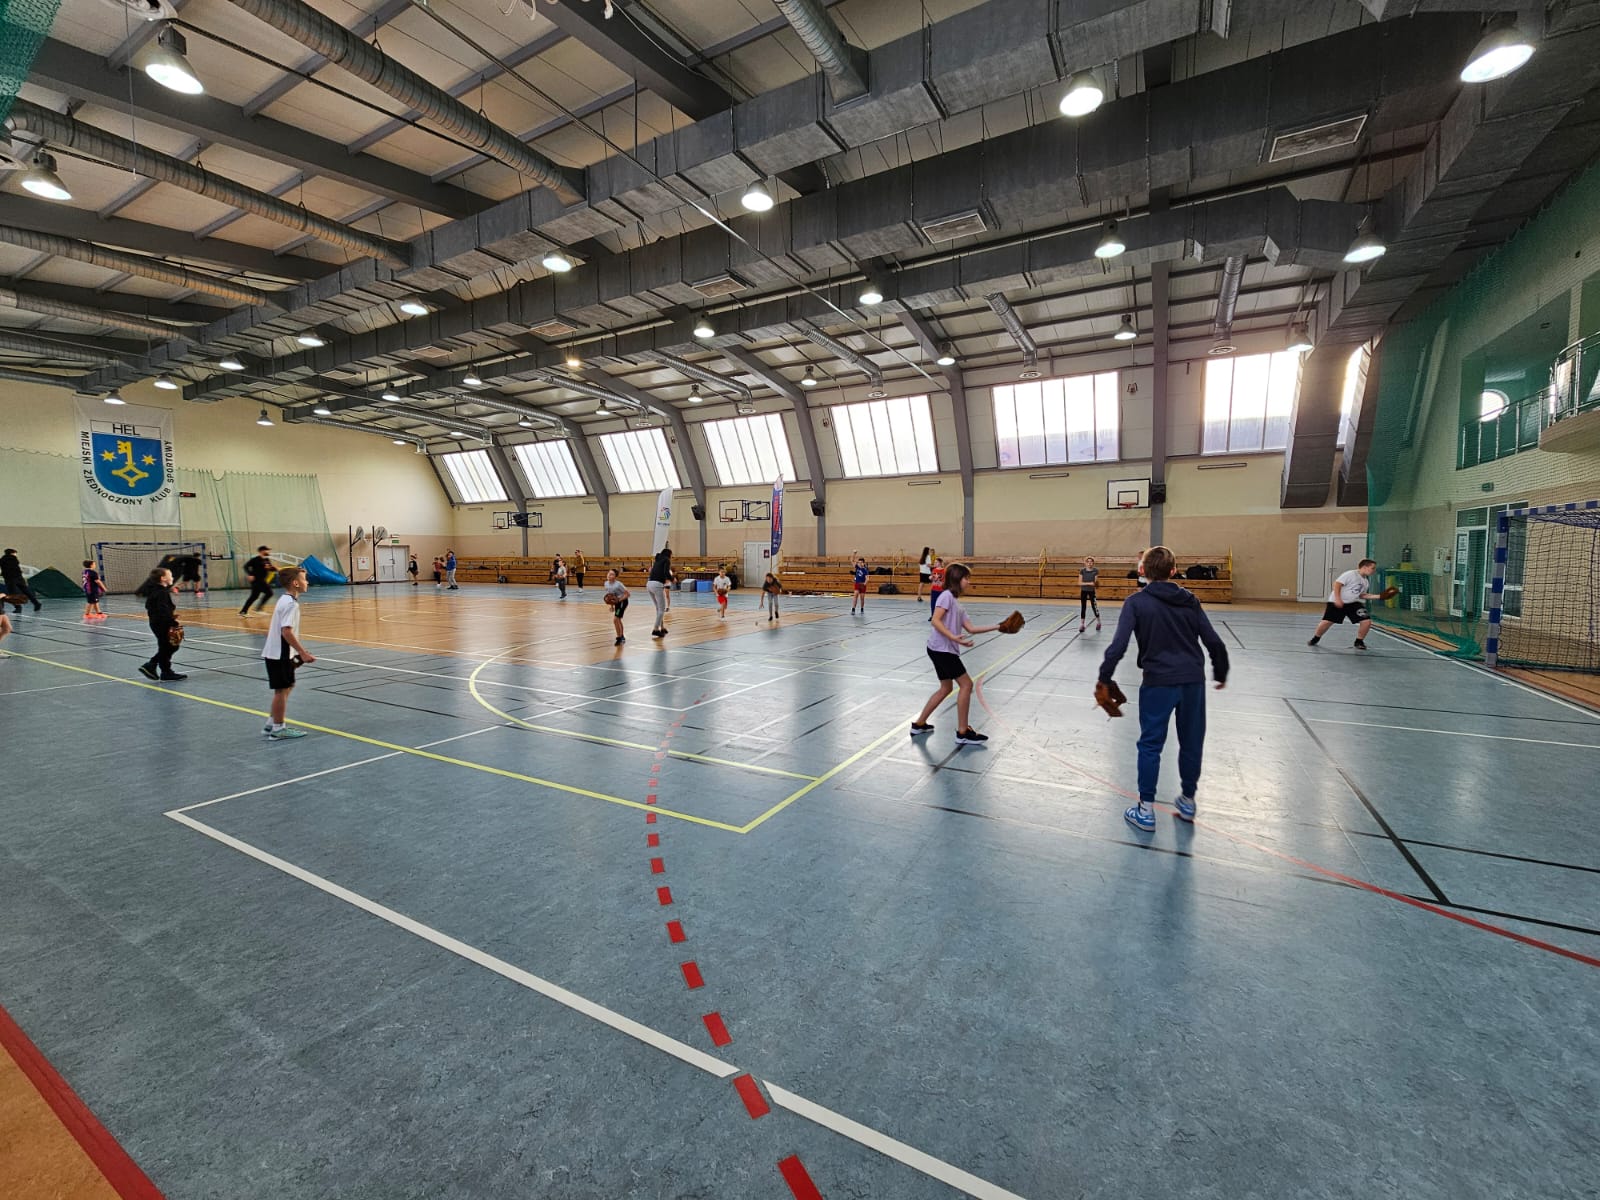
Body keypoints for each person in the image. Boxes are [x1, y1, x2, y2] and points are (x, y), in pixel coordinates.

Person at [1098, 545, 1229, 834]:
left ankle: (1145, 811)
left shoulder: (1135, 603)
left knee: (1150, 744)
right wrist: (1220, 671)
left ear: (1142, 571)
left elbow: (1118, 646)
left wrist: (1104, 677)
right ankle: (1188, 801)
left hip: (1158, 682)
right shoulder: (1190, 600)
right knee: (1192, 741)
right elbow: (1213, 640)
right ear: (1173, 571)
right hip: (1193, 681)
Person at [910, 563, 999, 745]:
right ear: (957, 579)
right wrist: (953, 637)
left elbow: (971, 628)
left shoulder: (957, 604)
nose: (968, 582)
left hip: (939, 649)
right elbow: (935, 620)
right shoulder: (946, 596)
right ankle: (962, 732)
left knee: (946, 688)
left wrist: (999, 626)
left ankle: (919, 724)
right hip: (942, 649)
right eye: (966, 578)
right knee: (966, 684)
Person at [261, 566, 315, 740]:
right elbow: (286, 631)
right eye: (304, 579)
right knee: (281, 690)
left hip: (279, 653)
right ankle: (278, 729)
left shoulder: (285, 599)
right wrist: (302, 652)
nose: (307, 582)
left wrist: (296, 654)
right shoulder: (291, 604)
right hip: (279, 654)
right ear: (295, 583)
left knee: (287, 687)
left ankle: (271, 723)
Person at [1309, 558, 1379, 651]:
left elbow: (1361, 595)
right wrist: (1338, 599)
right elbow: (1337, 584)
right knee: (1327, 622)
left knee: (1366, 621)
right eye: (1372, 568)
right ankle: (1316, 638)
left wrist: (1379, 596)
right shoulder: (1350, 574)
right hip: (1337, 601)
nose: (1374, 571)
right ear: (1364, 567)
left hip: (1352, 603)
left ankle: (1359, 641)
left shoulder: (1365, 581)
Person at [135, 567, 186, 682]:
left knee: (166, 646)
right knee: (170, 646)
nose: (172, 577)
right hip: (162, 623)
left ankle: (160, 669)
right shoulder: (161, 592)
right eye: (170, 575)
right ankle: (158, 668)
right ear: (163, 578)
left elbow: (150, 606)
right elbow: (162, 610)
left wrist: (170, 615)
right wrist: (172, 621)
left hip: (156, 622)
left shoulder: (155, 591)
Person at [1, 549, 40, 613]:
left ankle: (18, 608)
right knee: (26, 591)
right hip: (19, 578)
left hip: (10, 579)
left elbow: (6, 569)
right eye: (15, 553)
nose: (16, 554)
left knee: (13, 594)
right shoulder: (14, 559)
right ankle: (36, 603)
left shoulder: (3, 559)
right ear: (11, 553)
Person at [240, 545, 275, 615]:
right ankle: (258, 609)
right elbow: (245, 566)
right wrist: (250, 574)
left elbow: (270, 568)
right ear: (262, 551)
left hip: (262, 580)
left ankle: (243, 611)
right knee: (269, 593)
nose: (268, 551)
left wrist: (274, 568)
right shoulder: (255, 559)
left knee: (254, 596)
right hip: (257, 580)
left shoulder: (267, 560)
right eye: (267, 550)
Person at [647, 546, 672, 638]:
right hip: (657, 585)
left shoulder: (657, 560)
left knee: (658, 608)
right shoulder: (666, 560)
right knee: (661, 609)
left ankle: (662, 627)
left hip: (649, 584)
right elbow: (666, 572)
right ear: (669, 554)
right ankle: (655, 629)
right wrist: (672, 579)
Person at [603, 569, 629, 646]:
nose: (609, 575)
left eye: (612, 574)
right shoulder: (606, 584)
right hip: (617, 603)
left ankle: (619, 638)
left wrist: (618, 600)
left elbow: (628, 594)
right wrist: (612, 606)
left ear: (615, 577)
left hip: (622, 602)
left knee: (615, 619)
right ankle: (622, 636)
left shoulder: (618, 585)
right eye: (609, 573)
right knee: (618, 619)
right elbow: (610, 596)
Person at [1079, 556, 1101, 633]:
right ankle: (1082, 625)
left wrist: (1094, 584)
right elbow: (1079, 582)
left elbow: (1095, 583)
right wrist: (1089, 583)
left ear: (1093, 563)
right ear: (1085, 563)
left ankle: (1098, 622)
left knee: (1094, 607)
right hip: (1083, 591)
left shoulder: (1095, 571)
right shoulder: (1082, 571)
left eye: (1091, 562)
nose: (1089, 563)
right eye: (1088, 562)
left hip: (1091, 591)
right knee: (1083, 607)